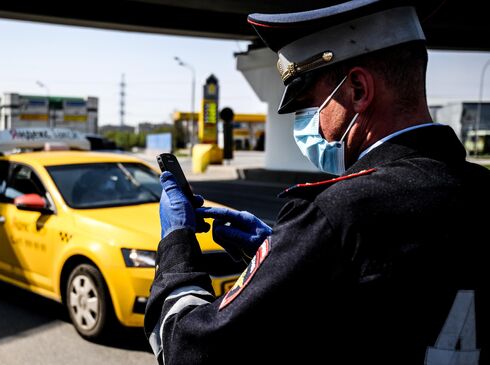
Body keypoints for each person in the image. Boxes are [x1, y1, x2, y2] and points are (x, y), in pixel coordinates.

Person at [145, 1, 490, 364]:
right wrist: (280, 254)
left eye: (309, 104)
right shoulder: (479, 189)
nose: (308, 125)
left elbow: (187, 349)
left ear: (357, 89)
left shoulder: (336, 214)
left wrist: (176, 246)